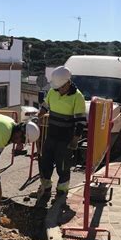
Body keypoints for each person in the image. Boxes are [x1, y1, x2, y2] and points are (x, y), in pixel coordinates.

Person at [32, 66, 86, 200]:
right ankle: (46, 189)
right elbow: (45, 106)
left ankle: (62, 192)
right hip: (51, 135)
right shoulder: (52, 91)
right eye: (57, 88)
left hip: (65, 137)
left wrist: (75, 139)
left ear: (68, 83)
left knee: (63, 166)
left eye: (61, 87)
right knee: (45, 163)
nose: (58, 90)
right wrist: (38, 116)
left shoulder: (77, 97)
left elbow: (80, 122)